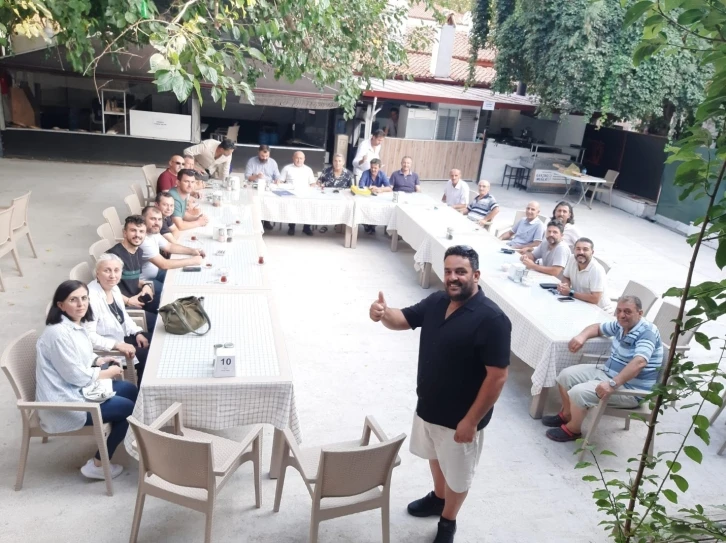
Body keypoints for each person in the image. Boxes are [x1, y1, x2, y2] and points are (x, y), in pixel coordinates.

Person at [369, 245, 510, 543]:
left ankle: (448, 520)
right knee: (435, 456)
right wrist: (382, 313)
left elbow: (497, 377)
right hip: (428, 408)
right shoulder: (438, 301)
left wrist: (471, 421)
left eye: (460, 271)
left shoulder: (492, 319)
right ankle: (438, 497)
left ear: (476, 275)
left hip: (461, 419)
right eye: (448, 271)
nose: (452, 277)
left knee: (458, 475)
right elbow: (401, 319)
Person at [36, 280, 138, 480]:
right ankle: (98, 464)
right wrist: (107, 373)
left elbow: (79, 356)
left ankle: (123, 435)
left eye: (84, 298)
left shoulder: (74, 324)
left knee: (130, 390)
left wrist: (98, 360)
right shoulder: (58, 334)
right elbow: (75, 376)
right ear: (61, 305)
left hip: (77, 389)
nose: (81, 304)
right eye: (73, 300)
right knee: (128, 408)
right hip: (67, 402)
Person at [543, 295, 663, 442]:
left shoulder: (647, 332)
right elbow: (597, 328)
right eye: (619, 310)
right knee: (564, 375)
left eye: (627, 311)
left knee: (578, 392)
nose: (621, 315)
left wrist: (613, 383)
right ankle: (568, 415)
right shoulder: (621, 324)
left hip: (630, 389)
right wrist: (582, 336)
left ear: (640, 313)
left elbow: (639, 362)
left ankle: (573, 429)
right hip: (608, 372)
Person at [86, 254, 151, 383]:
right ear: (97, 273)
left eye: (116, 270)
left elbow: (124, 316)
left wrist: (137, 333)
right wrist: (117, 345)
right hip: (109, 350)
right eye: (107, 270)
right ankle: (141, 389)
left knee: (155, 342)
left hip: (123, 336)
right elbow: (88, 336)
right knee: (150, 358)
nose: (112, 275)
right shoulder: (90, 299)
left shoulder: (114, 288)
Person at [105, 215, 161, 330]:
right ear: (125, 233)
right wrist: (128, 301)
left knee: (166, 306)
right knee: (160, 324)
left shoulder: (139, 252)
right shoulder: (113, 257)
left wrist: (145, 285)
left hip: (137, 298)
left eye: (141, 231)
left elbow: (134, 278)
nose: (137, 235)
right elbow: (103, 289)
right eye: (133, 230)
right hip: (122, 307)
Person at [139, 206, 205, 282]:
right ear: (143, 220)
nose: (157, 223)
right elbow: (163, 264)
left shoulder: (153, 232)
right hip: (145, 282)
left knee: (187, 278)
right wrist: (192, 261)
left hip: (157, 273)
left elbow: (169, 246)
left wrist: (192, 251)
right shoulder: (142, 240)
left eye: (159, 219)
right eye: (153, 219)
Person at [557, 237, 612, 312]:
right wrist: (564, 287)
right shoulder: (572, 258)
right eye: (578, 249)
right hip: (579, 304)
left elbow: (595, 299)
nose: (581, 252)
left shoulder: (596, 270)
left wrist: (570, 292)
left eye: (585, 249)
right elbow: (566, 277)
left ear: (592, 252)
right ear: (574, 250)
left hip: (599, 311)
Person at [279, 151, 317, 236]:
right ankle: (291, 227)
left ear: (304, 159)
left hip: (305, 194)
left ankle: (306, 228)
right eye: (297, 158)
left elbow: (312, 183)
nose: (299, 160)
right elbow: (280, 181)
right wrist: (279, 183)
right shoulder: (287, 168)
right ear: (293, 158)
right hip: (290, 194)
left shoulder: (308, 169)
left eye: (301, 158)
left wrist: (312, 189)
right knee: (291, 205)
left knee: (310, 204)